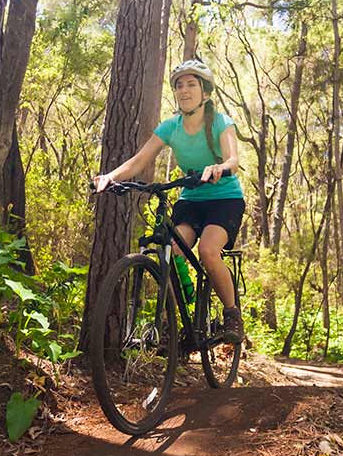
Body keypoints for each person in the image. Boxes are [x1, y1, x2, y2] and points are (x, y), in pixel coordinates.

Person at [92, 58, 245, 342]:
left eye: (191, 84)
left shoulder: (221, 122)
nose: (184, 90)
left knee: (209, 252)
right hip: (191, 199)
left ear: (205, 93)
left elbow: (233, 161)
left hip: (225, 199)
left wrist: (219, 168)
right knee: (170, 250)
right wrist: (109, 177)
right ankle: (182, 322)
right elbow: (138, 161)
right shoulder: (171, 127)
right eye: (179, 85)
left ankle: (232, 315)